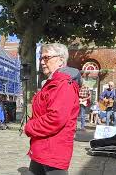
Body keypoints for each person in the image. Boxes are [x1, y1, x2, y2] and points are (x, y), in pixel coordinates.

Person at [24, 43, 80, 175]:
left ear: (61, 60)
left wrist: (29, 127)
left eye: (46, 58)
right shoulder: (53, 83)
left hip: (53, 150)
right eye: (41, 58)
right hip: (42, 147)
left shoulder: (64, 84)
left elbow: (55, 118)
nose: (42, 62)